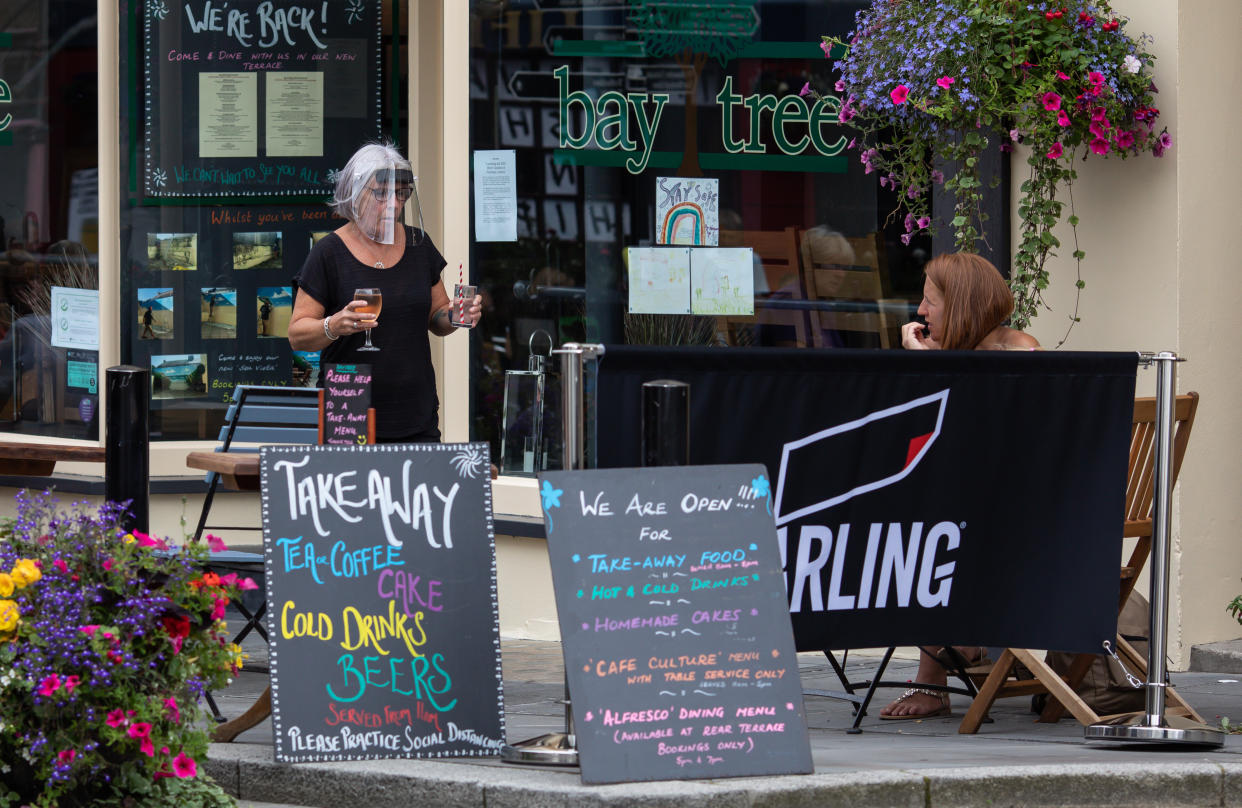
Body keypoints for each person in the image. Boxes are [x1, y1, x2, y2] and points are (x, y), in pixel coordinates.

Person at [882, 252, 1037, 720]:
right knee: (921, 509)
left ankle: (938, 674)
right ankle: (960, 647)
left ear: (963, 305)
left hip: (1021, 524)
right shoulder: (964, 355)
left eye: (930, 303)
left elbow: (996, 448)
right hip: (984, 512)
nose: (921, 313)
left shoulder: (1018, 354)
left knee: (922, 524)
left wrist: (932, 368)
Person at [288, 142, 482, 443]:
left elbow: (437, 316)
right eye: (381, 195)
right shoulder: (329, 252)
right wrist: (334, 325)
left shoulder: (419, 243)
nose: (393, 205)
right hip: (349, 409)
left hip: (414, 412)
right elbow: (298, 334)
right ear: (355, 192)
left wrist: (457, 315)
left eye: (401, 195)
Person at [900, 252, 1040, 352]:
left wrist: (928, 364)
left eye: (930, 301)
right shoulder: (930, 347)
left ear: (960, 308)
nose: (920, 310)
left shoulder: (1020, 349)